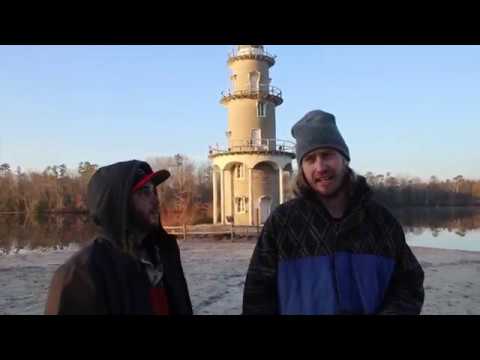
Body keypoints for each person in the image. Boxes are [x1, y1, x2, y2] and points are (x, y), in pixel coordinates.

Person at [242, 110, 424, 315]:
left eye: (327, 155)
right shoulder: (283, 224)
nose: (320, 167)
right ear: (302, 168)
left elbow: (409, 285)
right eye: (310, 159)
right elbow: (257, 299)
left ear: (344, 159)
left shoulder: (381, 222)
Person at [45, 160, 192, 315]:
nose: (155, 200)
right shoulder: (80, 275)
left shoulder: (164, 251)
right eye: (144, 192)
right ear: (117, 203)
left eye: (153, 191)